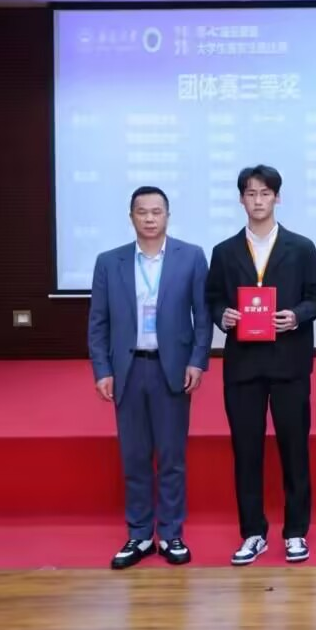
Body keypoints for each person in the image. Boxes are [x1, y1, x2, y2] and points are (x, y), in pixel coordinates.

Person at [207, 165, 316, 565]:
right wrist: (222, 315)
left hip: (289, 362)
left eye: (265, 193)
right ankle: (253, 532)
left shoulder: (301, 247)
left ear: (277, 198)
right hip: (243, 365)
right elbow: (212, 298)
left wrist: (296, 316)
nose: (258, 201)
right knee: (246, 451)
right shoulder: (224, 251)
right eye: (251, 193)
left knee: (295, 449)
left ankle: (295, 532)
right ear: (241, 199)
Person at [87, 186, 212, 569]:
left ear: (167, 216)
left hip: (171, 368)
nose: (150, 218)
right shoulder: (109, 262)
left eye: (157, 211)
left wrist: (197, 361)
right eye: (142, 212)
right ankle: (140, 534)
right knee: (135, 457)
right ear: (131, 217)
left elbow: (203, 316)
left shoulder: (191, 257)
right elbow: (98, 322)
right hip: (127, 370)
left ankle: (171, 533)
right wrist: (102, 369)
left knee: (172, 457)